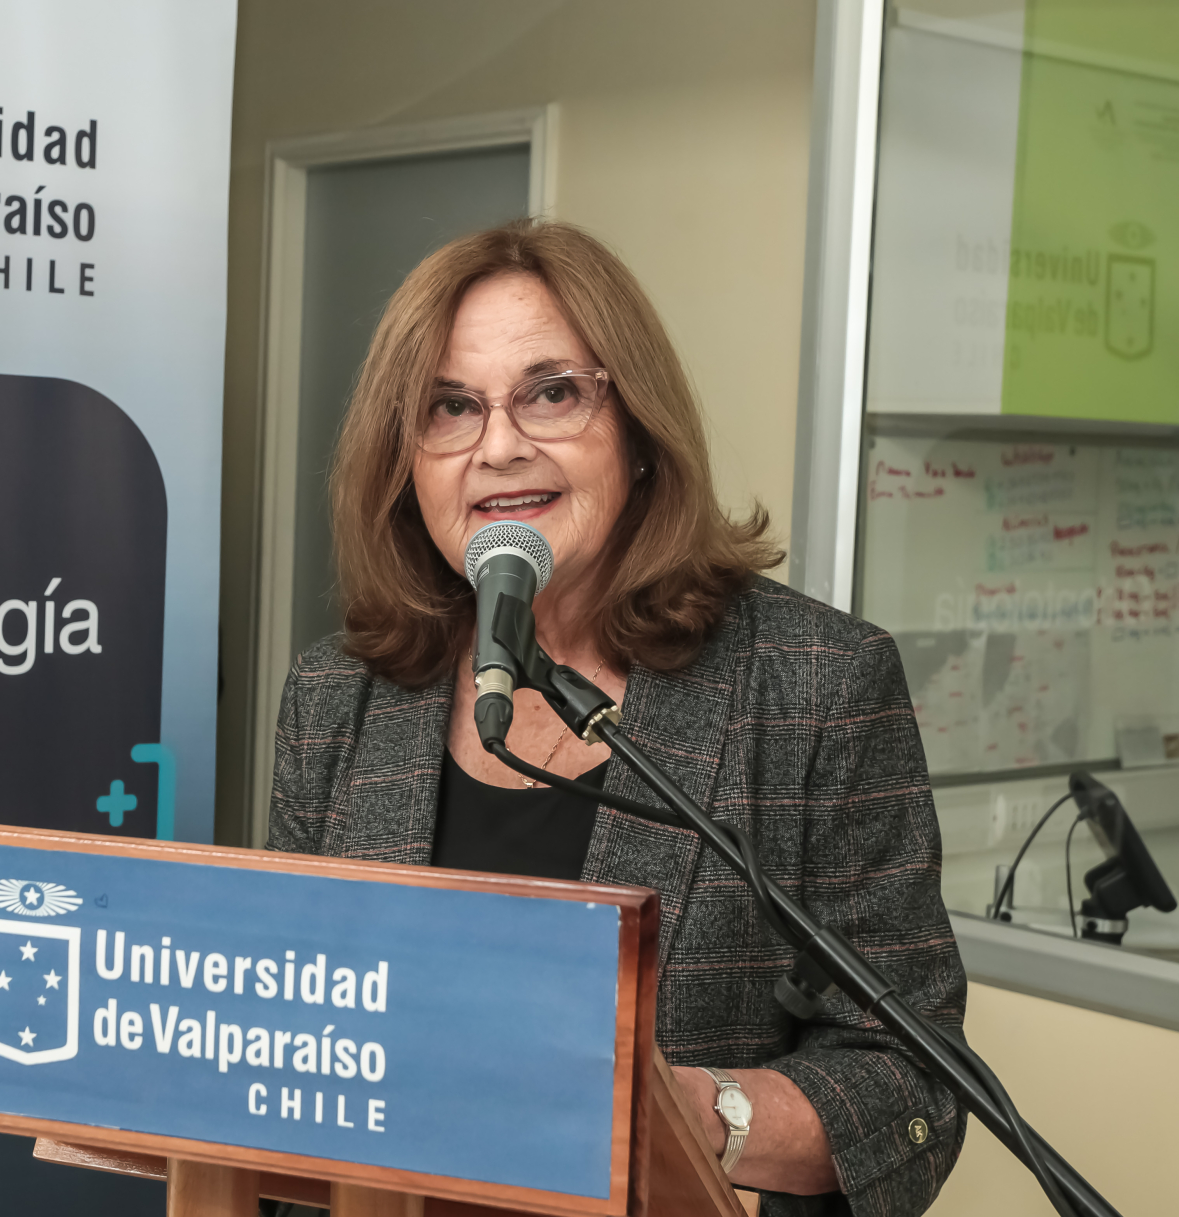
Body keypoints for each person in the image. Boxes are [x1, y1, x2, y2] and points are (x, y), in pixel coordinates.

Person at [268, 219, 966, 1217]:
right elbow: (289, 1031)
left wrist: (699, 1113)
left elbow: (912, 1085)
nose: (499, 445)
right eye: (450, 407)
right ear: (404, 459)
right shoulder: (336, 695)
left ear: (637, 428)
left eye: (552, 393)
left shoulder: (816, 684)